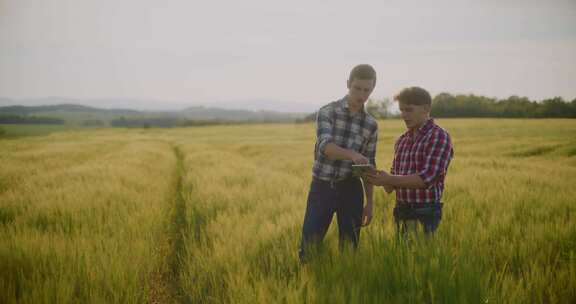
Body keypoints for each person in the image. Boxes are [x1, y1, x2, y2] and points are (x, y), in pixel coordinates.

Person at [299, 64, 379, 262]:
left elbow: (369, 165)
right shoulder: (328, 112)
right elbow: (325, 147)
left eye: (367, 90)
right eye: (357, 88)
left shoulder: (371, 124)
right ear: (348, 84)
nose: (361, 95)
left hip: (351, 189)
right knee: (309, 247)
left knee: (350, 249)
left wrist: (370, 203)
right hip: (322, 187)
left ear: (372, 89)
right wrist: (352, 155)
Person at [366, 86, 453, 239]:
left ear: (426, 109)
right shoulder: (402, 140)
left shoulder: (439, 136)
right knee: (403, 259)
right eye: (401, 110)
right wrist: (377, 177)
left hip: (425, 213)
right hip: (401, 211)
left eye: (409, 110)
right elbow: (391, 186)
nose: (404, 115)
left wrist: (389, 179)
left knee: (422, 260)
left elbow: (427, 179)